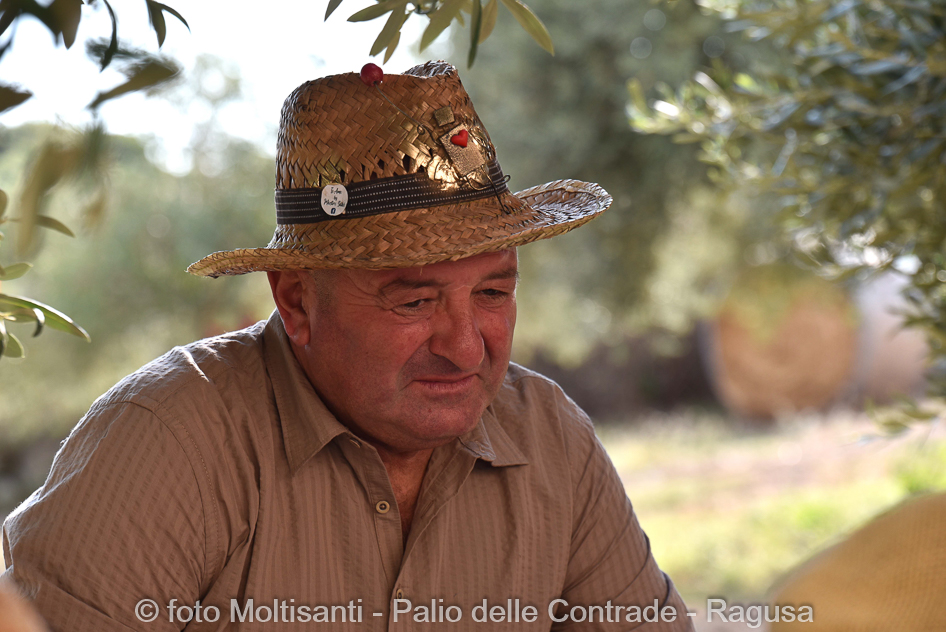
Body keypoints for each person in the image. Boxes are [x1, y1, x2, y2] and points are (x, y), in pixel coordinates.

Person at [1, 60, 692, 631]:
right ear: (296, 300)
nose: (464, 348)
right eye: (415, 301)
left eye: (492, 293)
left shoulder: (549, 440)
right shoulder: (169, 442)